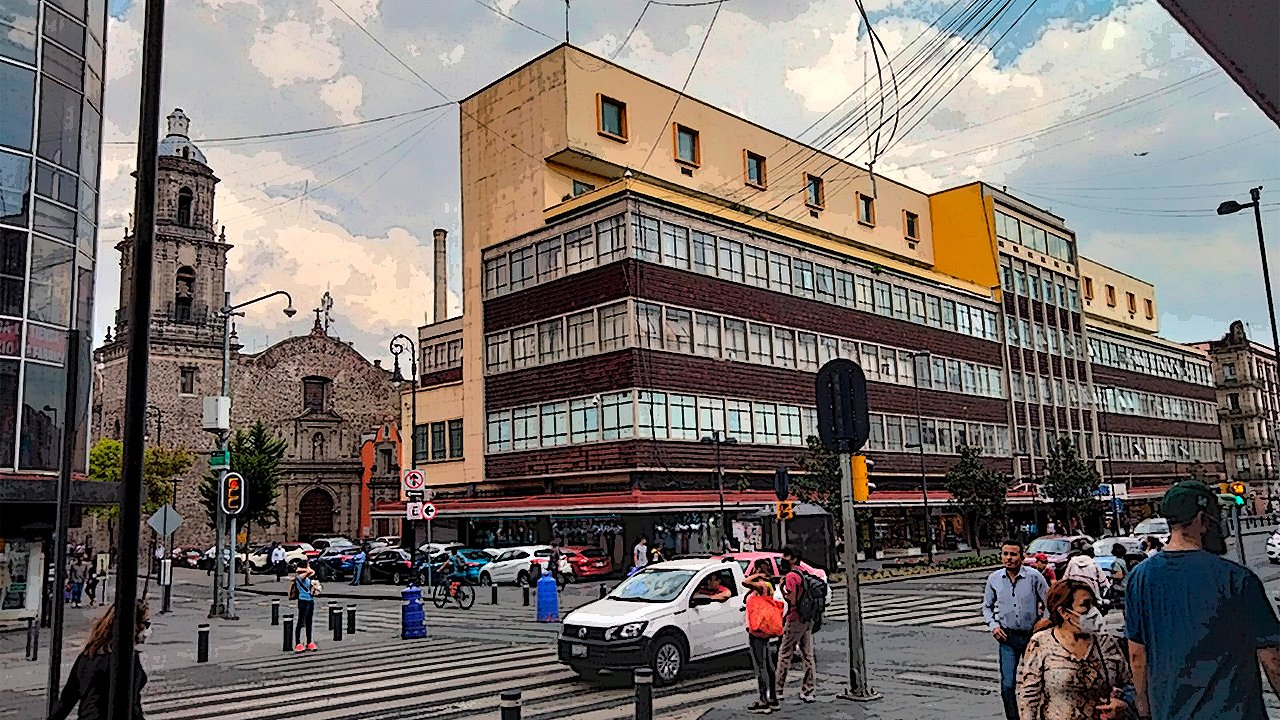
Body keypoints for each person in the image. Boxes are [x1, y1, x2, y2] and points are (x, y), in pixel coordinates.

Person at [1125, 480, 1280, 720]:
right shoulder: (1237, 579)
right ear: (1201, 520)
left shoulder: (1140, 578)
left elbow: (1137, 654)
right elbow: (1271, 658)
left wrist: (1144, 707)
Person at [1016, 579, 1133, 720]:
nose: (1093, 612)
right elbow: (1029, 698)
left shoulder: (1106, 643)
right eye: (1085, 605)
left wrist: (1123, 704)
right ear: (1064, 612)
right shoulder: (1041, 643)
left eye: (1093, 604)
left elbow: (1129, 685)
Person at [982, 538, 1050, 720]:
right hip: (1007, 637)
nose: (1009, 558)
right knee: (1007, 685)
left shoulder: (1034, 577)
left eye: (1013, 554)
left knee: (1037, 682)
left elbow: (1050, 602)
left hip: (1032, 637)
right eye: (1005, 554)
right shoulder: (994, 579)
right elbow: (986, 606)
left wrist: (1043, 623)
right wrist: (993, 625)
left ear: (1022, 556)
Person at [49, 600, 150, 720]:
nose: (147, 628)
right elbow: (131, 707)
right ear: (135, 625)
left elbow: (67, 700)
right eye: (146, 623)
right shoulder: (127, 660)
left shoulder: (88, 655)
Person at [774, 546, 816, 704]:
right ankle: (809, 690)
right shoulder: (803, 572)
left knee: (784, 653)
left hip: (794, 618)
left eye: (785, 556)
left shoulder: (791, 576)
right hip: (806, 618)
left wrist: (782, 588)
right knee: (808, 655)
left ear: (792, 558)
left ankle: (778, 689)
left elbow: (791, 600)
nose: (782, 559)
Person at [743, 559, 779, 713]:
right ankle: (773, 699)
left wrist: (757, 575)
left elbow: (745, 581)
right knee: (768, 664)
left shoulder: (762, 585)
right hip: (764, 628)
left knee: (761, 665)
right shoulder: (769, 586)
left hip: (758, 629)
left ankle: (763, 700)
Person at [293, 559, 317, 652]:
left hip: (310, 600)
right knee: (300, 622)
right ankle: (298, 643)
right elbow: (310, 571)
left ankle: (309, 642)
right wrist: (305, 568)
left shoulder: (306, 577)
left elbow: (312, 572)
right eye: (308, 565)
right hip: (303, 600)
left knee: (309, 622)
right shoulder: (300, 577)